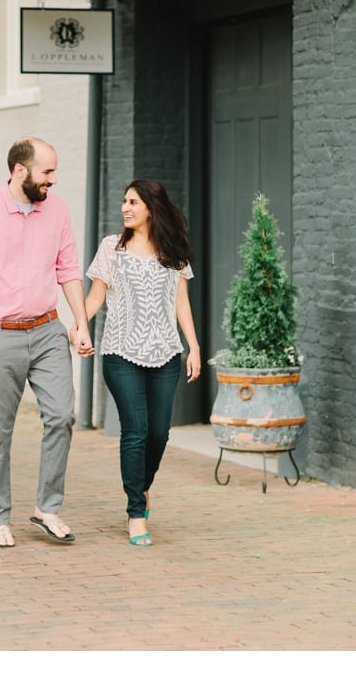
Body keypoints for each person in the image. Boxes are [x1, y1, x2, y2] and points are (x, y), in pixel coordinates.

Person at [0, 136, 92, 548]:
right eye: (47, 173)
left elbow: (67, 269)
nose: (53, 181)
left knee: (62, 416)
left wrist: (80, 323)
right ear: (20, 170)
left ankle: (48, 509)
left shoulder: (57, 210)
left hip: (48, 330)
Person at [82, 179, 202, 546]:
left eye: (133, 201)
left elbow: (181, 303)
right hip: (120, 353)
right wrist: (77, 327)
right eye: (124, 201)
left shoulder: (173, 251)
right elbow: (95, 298)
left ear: (151, 207)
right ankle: (136, 513)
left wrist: (193, 347)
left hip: (166, 352)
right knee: (135, 431)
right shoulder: (111, 249)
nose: (125, 207)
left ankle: (143, 487)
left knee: (158, 433)